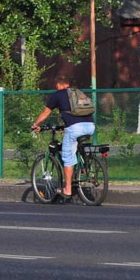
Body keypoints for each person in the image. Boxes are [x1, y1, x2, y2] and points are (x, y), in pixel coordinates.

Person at [32, 69, 95, 203]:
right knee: (76, 147)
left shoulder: (58, 94)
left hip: (74, 128)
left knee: (67, 157)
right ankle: (83, 169)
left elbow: (46, 112)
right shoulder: (78, 92)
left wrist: (36, 124)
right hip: (90, 126)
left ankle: (67, 189)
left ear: (59, 85)